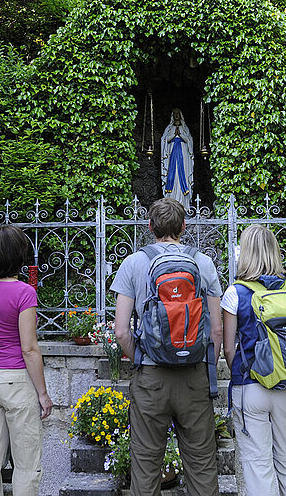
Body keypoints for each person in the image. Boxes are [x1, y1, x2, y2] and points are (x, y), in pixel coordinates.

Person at [113, 198, 222, 496]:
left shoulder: (134, 263)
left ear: (150, 227)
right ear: (184, 227)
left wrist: (141, 358)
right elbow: (216, 328)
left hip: (151, 378)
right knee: (201, 463)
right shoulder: (203, 262)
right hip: (194, 377)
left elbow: (121, 331)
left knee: (146, 465)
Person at [221, 225, 286, 496]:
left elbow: (228, 349)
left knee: (258, 465)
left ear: (245, 253)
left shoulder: (235, 293)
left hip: (250, 386)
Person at [0, 225, 52, 495]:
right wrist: (43, 394)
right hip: (16, 380)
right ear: (20, 255)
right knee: (26, 463)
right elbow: (29, 348)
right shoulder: (24, 293)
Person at [160, 108, 194, 211]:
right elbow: (164, 140)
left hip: (183, 159)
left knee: (182, 177)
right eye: (174, 114)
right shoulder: (169, 129)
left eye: (177, 114)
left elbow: (190, 142)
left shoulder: (185, 128)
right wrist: (174, 136)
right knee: (172, 177)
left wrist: (182, 136)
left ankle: (184, 204)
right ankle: (171, 202)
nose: (176, 116)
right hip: (172, 158)